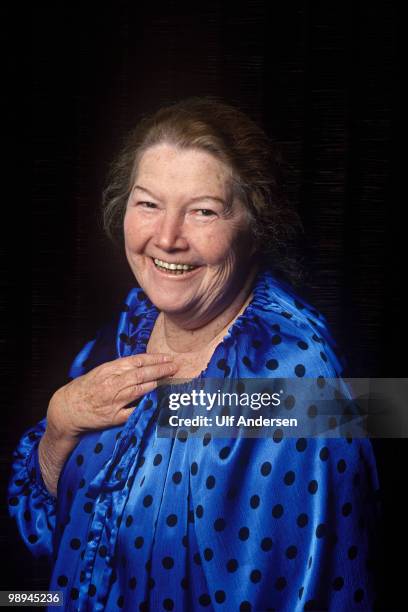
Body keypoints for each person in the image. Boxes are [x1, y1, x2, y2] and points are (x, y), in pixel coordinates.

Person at [8, 97, 380, 611]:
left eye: (203, 211)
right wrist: (56, 430)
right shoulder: (128, 326)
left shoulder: (295, 375)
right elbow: (44, 569)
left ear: (255, 227)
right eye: (148, 204)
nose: (166, 238)